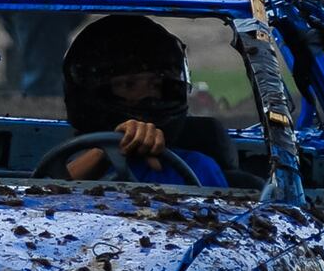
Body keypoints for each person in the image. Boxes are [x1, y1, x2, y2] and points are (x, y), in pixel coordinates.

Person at [59, 14, 228, 187]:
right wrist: (107, 150)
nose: (148, 96)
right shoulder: (67, 163)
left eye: (156, 85)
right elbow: (44, 196)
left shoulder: (198, 168)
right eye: (128, 85)